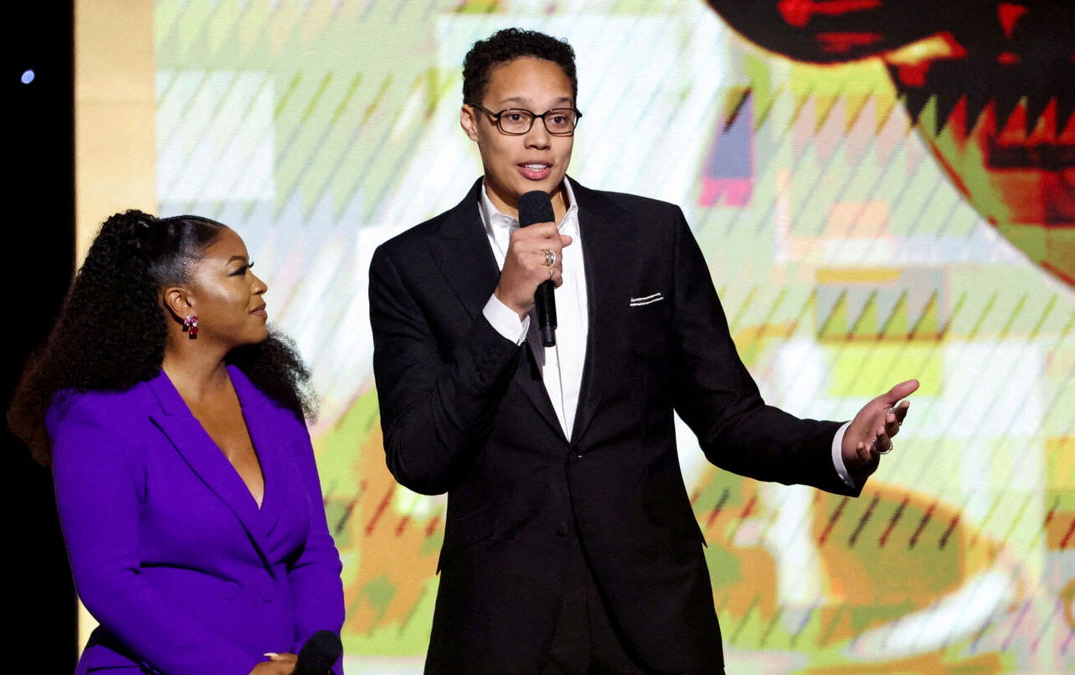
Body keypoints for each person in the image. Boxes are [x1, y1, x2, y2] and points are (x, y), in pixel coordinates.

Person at [368, 28, 916, 674]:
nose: (539, 138)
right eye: (515, 117)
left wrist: (836, 443)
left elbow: (728, 416)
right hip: (503, 621)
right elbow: (422, 458)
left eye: (559, 117)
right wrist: (506, 304)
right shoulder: (412, 265)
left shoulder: (650, 237)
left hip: (653, 613)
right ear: (471, 121)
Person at [9, 211, 344, 675]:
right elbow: (108, 581)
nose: (260, 284)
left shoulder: (273, 404)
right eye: (239, 270)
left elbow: (314, 554)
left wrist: (314, 659)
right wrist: (235, 671)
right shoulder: (98, 417)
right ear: (182, 301)